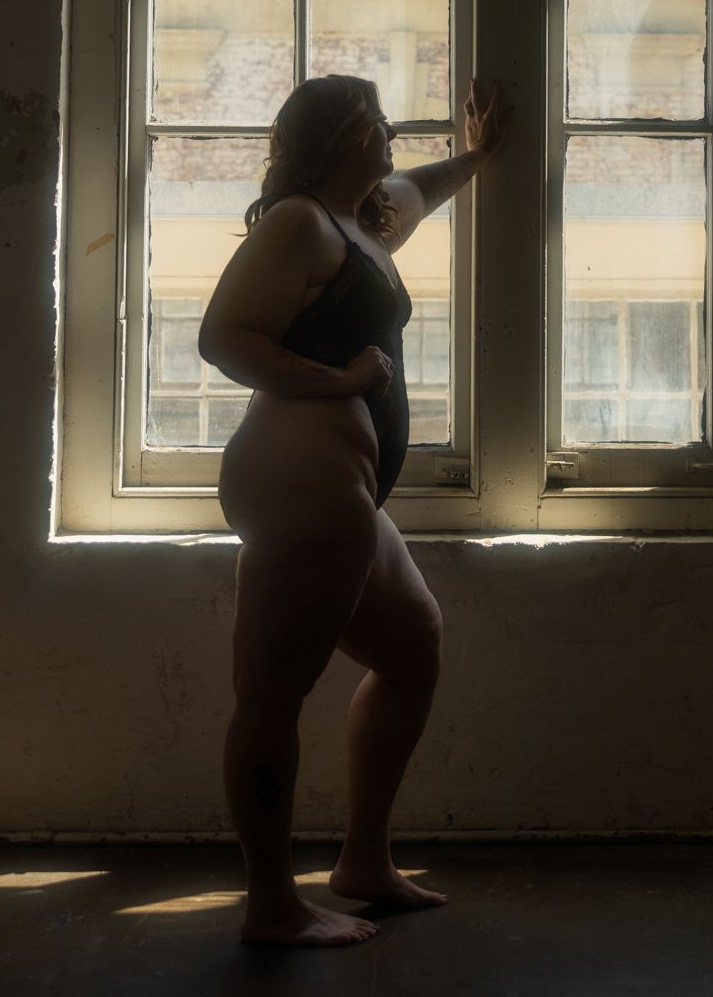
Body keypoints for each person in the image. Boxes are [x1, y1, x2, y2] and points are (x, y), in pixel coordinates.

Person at [199, 72, 513, 949]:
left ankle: (363, 863)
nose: (387, 132)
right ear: (333, 135)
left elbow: (421, 190)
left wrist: (479, 156)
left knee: (412, 649)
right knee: (270, 695)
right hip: (300, 481)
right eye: (371, 120)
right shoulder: (298, 221)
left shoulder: (363, 226)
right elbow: (223, 335)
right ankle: (272, 907)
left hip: (345, 494)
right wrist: (335, 382)